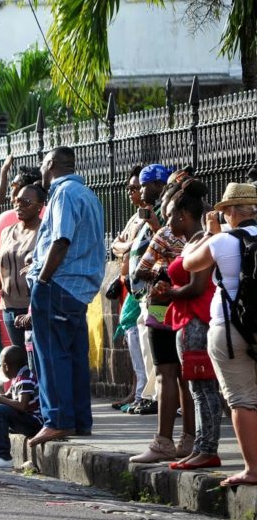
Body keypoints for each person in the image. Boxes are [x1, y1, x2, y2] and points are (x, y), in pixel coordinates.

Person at [26, 146, 106, 446]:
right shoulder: (87, 194)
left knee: (51, 354)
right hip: (78, 288)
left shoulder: (64, 193)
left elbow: (61, 240)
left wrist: (42, 278)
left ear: (50, 163)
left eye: (42, 164)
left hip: (58, 285)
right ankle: (79, 420)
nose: (41, 170)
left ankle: (57, 420)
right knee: (73, 354)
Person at [183, 182, 257, 487]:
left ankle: (253, 470)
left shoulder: (222, 241)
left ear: (230, 212)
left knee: (242, 399)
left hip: (230, 327)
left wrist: (210, 232)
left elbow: (187, 261)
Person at [143, 180, 221, 469]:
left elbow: (197, 286)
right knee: (197, 389)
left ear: (183, 215)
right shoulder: (191, 243)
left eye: (169, 216)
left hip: (197, 318)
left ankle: (207, 448)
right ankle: (200, 445)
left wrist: (170, 293)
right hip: (186, 319)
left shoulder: (202, 241)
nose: (166, 223)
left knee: (203, 388)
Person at [131, 174, 195, 463]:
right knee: (184, 377)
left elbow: (141, 269)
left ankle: (166, 441)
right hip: (182, 309)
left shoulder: (170, 234)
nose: (167, 221)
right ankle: (188, 440)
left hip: (167, 308)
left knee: (169, 375)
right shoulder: (204, 235)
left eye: (168, 215)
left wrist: (163, 275)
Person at [0, 182, 44, 351]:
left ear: (40, 206)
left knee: (36, 357)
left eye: (26, 202)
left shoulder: (45, 231)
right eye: (17, 201)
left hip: (35, 308)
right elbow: (4, 268)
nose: (19, 206)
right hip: (8, 308)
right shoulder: (6, 232)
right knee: (17, 357)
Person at [109, 165, 153, 413]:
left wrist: (125, 246)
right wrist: (124, 246)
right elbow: (116, 246)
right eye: (131, 188)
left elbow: (131, 246)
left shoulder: (151, 216)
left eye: (137, 187)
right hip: (130, 286)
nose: (133, 192)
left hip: (143, 287)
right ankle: (138, 390)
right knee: (134, 337)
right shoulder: (135, 217)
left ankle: (143, 392)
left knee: (140, 336)